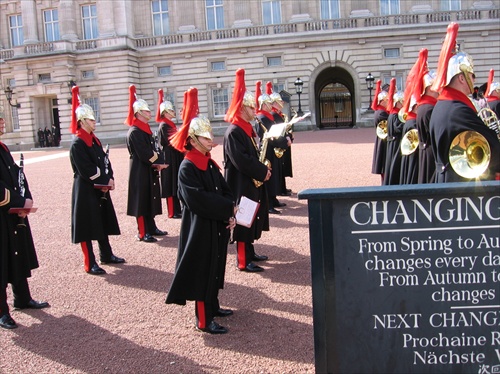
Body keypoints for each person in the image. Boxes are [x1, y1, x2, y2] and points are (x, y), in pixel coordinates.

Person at [166, 87, 236, 334]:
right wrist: (226, 207)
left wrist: (230, 211)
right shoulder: (188, 167)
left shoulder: (208, 163)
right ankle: (203, 320)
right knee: (203, 272)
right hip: (200, 227)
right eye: (206, 138)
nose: (211, 141)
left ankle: (213, 306)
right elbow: (198, 200)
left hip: (215, 224)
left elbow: (225, 190)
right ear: (193, 140)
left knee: (215, 266)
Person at [429, 22, 500, 182]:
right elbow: (493, 149)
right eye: (472, 75)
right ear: (462, 77)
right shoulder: (457, 110)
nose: (474, 80)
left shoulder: (443, 105)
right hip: (459, 185)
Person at [0, 110, 49, 330]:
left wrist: (25, 198)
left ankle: (22, 298)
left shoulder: (2, 147)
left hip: (11, 211)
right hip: (4, 210)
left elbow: (16, 176)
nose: (3, 122)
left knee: (16, 253)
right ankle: (2, 312)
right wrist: (17, 202)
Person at [69, 86, 125, 275]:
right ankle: (89, 262)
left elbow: (104, 161)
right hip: (86, 189)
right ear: (82, 121)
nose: (95, 122)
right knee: (86, 226)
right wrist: (102, 181)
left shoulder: (94, 140)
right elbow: (86, 169)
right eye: (91, 119)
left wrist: (110, 178)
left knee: (101, 221)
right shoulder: (78, 143)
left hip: (99, 187)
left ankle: (106, 254)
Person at [223, 69, 270, 273]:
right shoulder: (235, 131)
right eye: (251, 107)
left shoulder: (246, 129)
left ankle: (250, 251)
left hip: (249, 181)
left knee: (251, 218)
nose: (254, 111)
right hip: (241, 182)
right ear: (242, 108)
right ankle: (243, 260)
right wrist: (262, 171)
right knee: (243, 220)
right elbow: (242, 160)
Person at [125, 85, 168, 243]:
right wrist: (157, 161)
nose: (150, 113)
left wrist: (158, 161)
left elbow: (153, 149)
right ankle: (143, 232)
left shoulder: (145, 129)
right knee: (141, 201)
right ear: (139, 113)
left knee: (150, 198)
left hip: (148, 169)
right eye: (147, 111)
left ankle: (151, 226)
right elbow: (145, 154)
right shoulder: (135, 131)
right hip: (140, 170)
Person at [255, 80, 290, 214]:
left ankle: (273, 198)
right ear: (263, 104)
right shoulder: (262, 117)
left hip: (272, 149)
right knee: (268, 176)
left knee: (274, 174)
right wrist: (283, 142)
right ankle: (268, 203)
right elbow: (270, 135)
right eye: (269, 103)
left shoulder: (267, 116)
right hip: (267, 150)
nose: (272, 105)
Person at [156, 89, 183, 219]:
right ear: (165, 112)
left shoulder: (170, 124)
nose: (173, 112)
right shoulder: (164, 125)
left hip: (175, 155)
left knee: (175, 182)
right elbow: (170, 142)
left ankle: (177, 209)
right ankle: (172, 211)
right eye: (171, 111)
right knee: (170, 183)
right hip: (169, 156)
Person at [267, 82, 293, 197]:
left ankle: (282, 187)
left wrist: (289, 135)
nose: (282, 102)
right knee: (279, 167)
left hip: (283, 141)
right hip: (278, 144)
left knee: (282, 166)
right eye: (280, 101)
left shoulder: (279, 114)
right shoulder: (273, 114)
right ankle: (280, 189)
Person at [382, 79, 404, 185]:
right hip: (395, 144)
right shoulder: (395, 115)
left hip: (392, 143)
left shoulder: (392, 114)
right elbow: (398, 128)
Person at [370, 80, 389, 184]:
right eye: (387, 100)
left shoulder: (381, 111)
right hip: (383, 143)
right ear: (382, 101)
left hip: (382, 141)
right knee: (384, 167)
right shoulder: (381, 113)